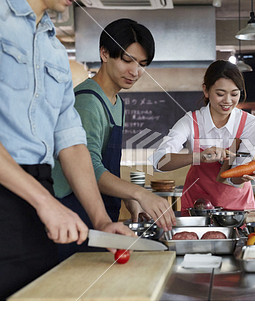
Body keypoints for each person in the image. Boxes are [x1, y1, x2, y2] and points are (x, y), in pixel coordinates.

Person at [0, 0, 133, 300]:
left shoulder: (56, 52)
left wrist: (101, 223)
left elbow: (72, 143)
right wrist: (45, 202)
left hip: (38, 197)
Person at [52, 18, 177, 260]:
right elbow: (89, 167)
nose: (135, 71)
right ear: (105, 53)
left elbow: (105, 163)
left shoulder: (117, 102)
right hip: (74, 214)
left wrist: (127, 197)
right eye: (127, 60)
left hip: (99, 214)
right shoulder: (87, 102)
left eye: (142, 64)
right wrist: (138, 193)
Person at [152, 60, 255, 213]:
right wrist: (199, 157)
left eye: (234, 94)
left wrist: (242, 176)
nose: (228, 101)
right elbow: (159, 161)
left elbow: (235, 178)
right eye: (220, 94)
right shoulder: (190, 122)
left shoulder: (250, 124)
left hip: (237, 209)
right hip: (197, 208)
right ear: (206, 90)